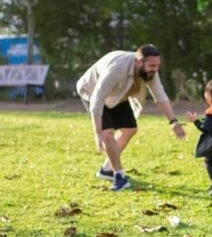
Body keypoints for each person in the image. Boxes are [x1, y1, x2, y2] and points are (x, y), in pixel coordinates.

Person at [76, 44, 186, 191]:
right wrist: (98, 133)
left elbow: (160, 95)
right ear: (139, 62)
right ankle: (119, 176)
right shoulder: (117, 68)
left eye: (158, 65)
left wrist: (173, 122)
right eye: (152, 65)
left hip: (118, 96)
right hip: (92, 92)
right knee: (107, 134)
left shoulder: (150, 72)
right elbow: (97, 98)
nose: (155, 69)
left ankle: (107, 169)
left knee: (130, 129)